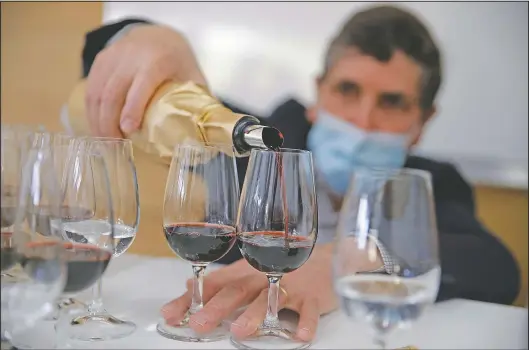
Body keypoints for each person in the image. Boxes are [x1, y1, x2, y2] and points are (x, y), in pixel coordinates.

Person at [76, 5, 520, 342]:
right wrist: (150, 37)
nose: (363, 121)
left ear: (423, 121)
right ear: (317, 91)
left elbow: (498, 268)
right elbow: (122, 72)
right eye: (347, 90)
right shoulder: (255, 142)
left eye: (392, 103)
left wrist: (349, 259)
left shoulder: (431, 183)